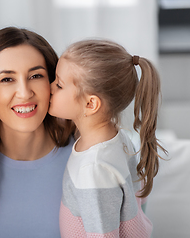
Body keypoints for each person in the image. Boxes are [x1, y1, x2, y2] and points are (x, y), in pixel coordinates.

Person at [49, 39, 167, 237]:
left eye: (59, 85)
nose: (50, 87)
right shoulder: (118, 138)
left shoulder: (94, 168)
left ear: (90, 104)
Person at [0, 27, 75, 238]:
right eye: (7, 79)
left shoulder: (87, 152)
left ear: (53, 82)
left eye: (36, 75)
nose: (25, 93)